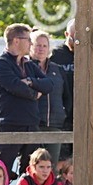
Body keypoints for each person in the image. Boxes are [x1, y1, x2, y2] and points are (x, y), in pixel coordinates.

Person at [0, 23, 54, 176]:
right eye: (28, 39)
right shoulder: (0, 63)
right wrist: (35, 93)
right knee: (0, 172)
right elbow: (15, 86)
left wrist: (30, 81)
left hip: (31, 124)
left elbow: (49, 84)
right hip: (9, 125)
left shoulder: (29, 65)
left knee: (31, 174)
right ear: (16, 40)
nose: (31, 43)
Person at [49, 18, 93, 158]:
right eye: (75, 38)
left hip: (91, 117)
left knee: (88, 160)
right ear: (66, 34)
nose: (79, 42)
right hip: (62, 118)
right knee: (61, 162)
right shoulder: (55, 55)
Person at [30, 29, 66, 165]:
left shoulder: (57, 69)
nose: (41, 49)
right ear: (30, 46)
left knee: (52, 166)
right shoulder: (25, 67)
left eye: (44, 45)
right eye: (38, 45)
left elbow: (66, 96)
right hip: (33, 125)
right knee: (33, 165)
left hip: (55, 125)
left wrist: (64, 113)